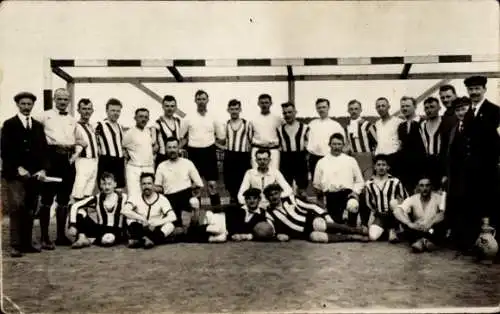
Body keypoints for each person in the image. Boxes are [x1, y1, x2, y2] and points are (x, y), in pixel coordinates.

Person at [1, 92, 49, 257]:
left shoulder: (37, 126)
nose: (26, 107)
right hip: (15, 175)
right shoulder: (9, 125)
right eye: (23, 104)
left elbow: (44, 150)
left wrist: (43, 169)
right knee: (16, 206)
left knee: (30, 208)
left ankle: (27, 243)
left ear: (33, 105)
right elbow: (5, 151)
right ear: (18, 105)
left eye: (29, 104)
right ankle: (15, 245)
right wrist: (17, 168)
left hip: (34, 175)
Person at [462, 76, 500, 256]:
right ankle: (477, 244)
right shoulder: (469, 112)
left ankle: (493, 245)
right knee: (473, 206)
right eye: (471, 89)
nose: (474, 92)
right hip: (471, 170)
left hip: (488, 169)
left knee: (490, 205)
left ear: (484, 89)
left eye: (477, 88)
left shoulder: (494, 111)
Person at [257, 184, 369, 243]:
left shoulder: (290, 199)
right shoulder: (269, 212)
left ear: (280, 193)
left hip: (310, 220)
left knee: (319, 225)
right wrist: (277, 237)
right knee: (317, 238)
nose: (274, 197)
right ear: (267, 198)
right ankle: (351, 237)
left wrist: (326, 216)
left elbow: (312, 206)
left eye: (276, 193)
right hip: (302, 233)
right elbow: (271, 229)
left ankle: (356, 230)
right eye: (270, 195)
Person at [37, 88, 77, 248]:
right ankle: (45, 237)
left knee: (64, 199)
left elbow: (77, 140)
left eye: (65, 99)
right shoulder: (43, 116)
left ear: (69, 101)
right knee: (47, 199)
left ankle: (61, 235)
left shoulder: (72, 119)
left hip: (66, 160)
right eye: (59, 99)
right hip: (50, 158)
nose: (62, 102)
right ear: (54, 99)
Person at [68, 172, 138, 249]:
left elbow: (136, 207)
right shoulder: (97, 198)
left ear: (115, 184)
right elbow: (75, 206)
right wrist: (72, 225)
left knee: (107, 240)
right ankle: (82, 237)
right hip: (100, 229)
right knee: (80, 211)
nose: (106, 187)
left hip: (117, 230)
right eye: (104, 184)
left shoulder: (124, 197)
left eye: (109, 184)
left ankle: (134, 238)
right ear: (100, 185)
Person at [182, 90, 225, 206]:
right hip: (193, 153)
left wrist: (210, 143)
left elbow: (221, 136)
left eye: (203, 99)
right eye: (199, 99)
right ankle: (196, 218)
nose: (201, 102)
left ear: (207, 100)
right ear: (195, 101)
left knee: (212, 184)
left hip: (209, 152)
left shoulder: (213, 117)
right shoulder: (188, 117)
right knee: (195, 186)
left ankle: (217, 213)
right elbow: (181, 136)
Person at [313, 133, 364, 227]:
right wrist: (322, 201)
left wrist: (355, 192)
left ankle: (352, 225)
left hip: (348, 194)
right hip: (331, 196)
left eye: (339, 144)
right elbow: (317, 184)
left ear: (343, 145)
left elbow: (360, 181)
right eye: (334, 144)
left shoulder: (350, 160)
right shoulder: (322, 162)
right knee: (336, 225)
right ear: (329, 145)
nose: (336, 147)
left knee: (353, 204)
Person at [442, 97, 472, 252]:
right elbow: (450, 154)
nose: (461, 112)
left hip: (472, 175)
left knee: (470, 207)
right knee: (457, 206)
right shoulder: (454, 128)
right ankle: (460, 240)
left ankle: (470, 241)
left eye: (464, 109)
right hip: (456, 175)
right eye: (458, 110)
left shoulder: (477, 127)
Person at [154, 137, 204, 228]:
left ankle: (194, 225)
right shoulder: (161, 166)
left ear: (178, 149)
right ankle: (177, 224)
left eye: (174, 147)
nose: (172, 150)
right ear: (165, 149)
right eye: (169, 147)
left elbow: (198, 183)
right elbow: (158, 187)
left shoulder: (187, 163)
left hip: (186, 197)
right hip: (170, 199)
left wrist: (190, 188)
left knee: (194, 201)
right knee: (176, 229)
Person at [393, 176, 446, 253]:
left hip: (431, 229)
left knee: (439, 228)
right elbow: (397, 210)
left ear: (431, 187)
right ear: (418, 187)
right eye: (422, 185)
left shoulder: (438, 198)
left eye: (427, 185)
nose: (425, 188)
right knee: (407, 226)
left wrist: (431, 223)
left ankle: (420, 242)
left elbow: (442, 214)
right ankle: (425, 242)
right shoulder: (413, 198)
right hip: (417, 229)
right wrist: (409, 223)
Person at [125, 173, 177, 249]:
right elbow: (125, 210)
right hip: (140, 227)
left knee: (170, 226)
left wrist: (155, 223)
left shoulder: (162, 199)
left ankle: (141, 240)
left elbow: (173, 216)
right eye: (144, 184)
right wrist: (141, 219)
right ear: (140, 185)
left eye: (149, 183)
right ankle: (148, 240)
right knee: (129, 219)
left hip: (155, 228)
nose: (146, 186)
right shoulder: (135, 197)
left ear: (153, 185)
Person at [365, 154, 408, 242]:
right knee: (373, 237)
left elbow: (406, 198)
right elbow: (368, 202)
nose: (381, 167)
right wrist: (375, 213)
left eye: (384, 165)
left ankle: (393, 228)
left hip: (393, 215)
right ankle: (388, 231)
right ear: (375, 167)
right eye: (379, 165)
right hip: (380, 215)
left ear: (388, 167)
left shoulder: (395, 181)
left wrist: (399, 210)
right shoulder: (369, 184)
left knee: (393, 202)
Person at [220, 99, 252, 204]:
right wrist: (223, 147)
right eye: (232, 109)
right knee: (229, 181)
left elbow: (251, 140)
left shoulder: (247, 124)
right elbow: (220, 139)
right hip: (230, 155)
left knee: (243, 180)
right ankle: (233, 201)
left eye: (236, 109)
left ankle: (242, 202)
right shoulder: (225, 124)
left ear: (240, 110)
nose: (234, 111)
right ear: (228, 110)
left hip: (243, 155)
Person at [306, 98, 346, 179]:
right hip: (314, 159)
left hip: (330, 157)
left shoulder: (336, 125)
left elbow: (343, 143)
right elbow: (306, 140)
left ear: (328, 108)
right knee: (316, 184)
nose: (321, 109)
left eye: (324, 107)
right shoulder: (312, 124)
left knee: (331, 182)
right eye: (319, 107)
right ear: (316, 109)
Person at [276, 102, 309, 197]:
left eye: (290, 112)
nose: (287, 115)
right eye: (285, 113)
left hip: (300, 158)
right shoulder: (279, 129)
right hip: (286, 159)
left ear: (295, 112)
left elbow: (309, 145)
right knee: (286, 189)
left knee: (302, 190)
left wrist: (306, 157)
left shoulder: (305, 128)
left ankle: (303, 209)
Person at [70, 99, 99, 202]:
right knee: (78, 192)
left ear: (92, 111)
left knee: (88, 193)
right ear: (78, 110)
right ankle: (73, 217)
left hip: (94, 161)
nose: (87, 111)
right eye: (84, 109)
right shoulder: (75, 125)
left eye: (89, 109)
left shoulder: (91, 126)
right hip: (82, 161)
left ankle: (82, 216)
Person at [122, 108, 155, 199]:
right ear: (135, 118)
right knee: (134, 196)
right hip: (134, 168)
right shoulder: (129, 133)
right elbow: (122, 146)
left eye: (146, 117)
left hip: (148, 167)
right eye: (140, 117)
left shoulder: (148, 131)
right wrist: (126, 154)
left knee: (148, 195)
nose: (143, 119)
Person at [96, 98, 126, 191]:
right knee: (106, 189)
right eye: (112, 110)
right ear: (106, 111)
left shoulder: (120, 126)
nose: (115, 113)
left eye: (118, 111)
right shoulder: (99, 125)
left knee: (119, 189)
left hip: (119, 161)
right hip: (107, 161)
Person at [396, 96, 425, 193]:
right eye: (402, 106)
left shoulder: (422, 122)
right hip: (405, 168)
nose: (404, 109)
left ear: (415, 106)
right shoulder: (401, 126)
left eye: (407, 106)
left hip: (420, 166)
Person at [249, 94, 283, 170]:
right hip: (257, 150)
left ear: (271, 103)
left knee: (273, 173)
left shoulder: (278, 119)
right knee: (256, 173)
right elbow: (249, 137)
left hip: (273, 150)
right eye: (262, 103)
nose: (264, 105)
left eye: (266, 102)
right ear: (258, 104)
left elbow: (282, 135)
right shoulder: (253, 119)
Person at [345, 99, 377, 179]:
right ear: (348, 110)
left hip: (367, 157)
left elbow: (376, 141)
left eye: (356, 109)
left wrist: (374, 157)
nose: (354, 111)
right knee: (357, 184)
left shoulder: (367, 124)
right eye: (351, 109)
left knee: (368, 183)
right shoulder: (347, 127)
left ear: (361, 110)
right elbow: (347, 144)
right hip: (354, 158)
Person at [373, 97, 404, 178]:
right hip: (379, 159)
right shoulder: (377, 123)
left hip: (393, 158)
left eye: (383, 106)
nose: (381, 108)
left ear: (388, 107)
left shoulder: (398, 121)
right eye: (378, 106)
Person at [154, 95, 184, 169]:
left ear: (176, 107)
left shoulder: (178, 121)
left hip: (176, 158)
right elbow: (154, 144)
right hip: (163, 158)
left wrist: (179, 148)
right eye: (167, 106)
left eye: (172, 106)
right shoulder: (157, 123)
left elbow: (184, 138)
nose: (170, 108)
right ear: (163, 107)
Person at [420, 97, 444, 189]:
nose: (429, 110)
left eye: (432, 107)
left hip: (441, 160)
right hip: (428, 162)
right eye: (426, 108)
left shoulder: (444, 122)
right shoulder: (423, 125)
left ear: (439, 108)